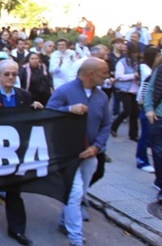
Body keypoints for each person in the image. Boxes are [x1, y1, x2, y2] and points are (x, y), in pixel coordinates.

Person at [0, 60, 44, 245]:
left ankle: (17, 229)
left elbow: (30, 120)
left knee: (14, 189)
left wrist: (37, 110)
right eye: (7, 74)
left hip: (15, 150)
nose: (11, 78)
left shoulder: (25, 95)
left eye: (14, 74)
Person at [46, 58, 112, 246]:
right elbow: (48, 113)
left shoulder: (102, 97)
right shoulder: (65, 91)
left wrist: (97, 147)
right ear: (91, 74)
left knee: (78, 194)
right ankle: (76, 239)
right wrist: (68, 109)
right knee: (74, 195)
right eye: (104, 73)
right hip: (67, 155)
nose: (108, 76)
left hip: (90, 155)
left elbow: (107, 123)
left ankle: (63, 223)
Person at [144, 50, 162, 203]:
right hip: (160, 118)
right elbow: (150, 90)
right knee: (159, 153)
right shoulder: (161, 71)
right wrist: (149, 109)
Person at [135, 46, 160, 173]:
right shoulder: (149, 72)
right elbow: (145, 92)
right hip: (147, 109)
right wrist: (147, 106)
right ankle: (141, 160)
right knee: (145, 136)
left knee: (150, 137)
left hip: (153, 109)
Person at [111, 41, 141, 140]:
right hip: (124, 90)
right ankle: (114, 127)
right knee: (127, 110)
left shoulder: (138, 62)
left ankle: (133, 134)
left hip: (135, 90)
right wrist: (133, 76)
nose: (135, 55)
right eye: (134, 52)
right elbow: (118, 76)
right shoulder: (122, 62)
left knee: (135, 113)